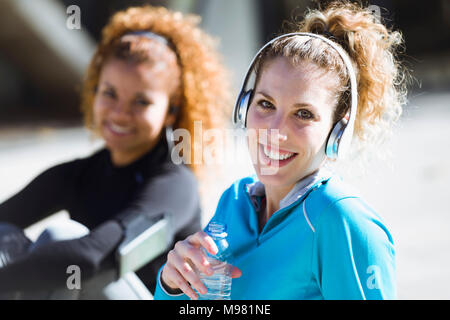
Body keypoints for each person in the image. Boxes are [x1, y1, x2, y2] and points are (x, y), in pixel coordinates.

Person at [154, 1, 408, 300]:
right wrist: (171, 284)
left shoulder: (344, 223)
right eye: (266, 104)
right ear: (243, 107)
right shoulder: (235, 201)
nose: (275, 130)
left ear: (337, 131)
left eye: (303, 114)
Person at [0, 5, 230, 298]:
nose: (120, 113)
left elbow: (94, 257)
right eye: (109, 93)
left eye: (141, 102)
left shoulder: (174, 183)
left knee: (59, 239)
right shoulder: (80, 174)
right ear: (94, 94)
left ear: (171, 112)